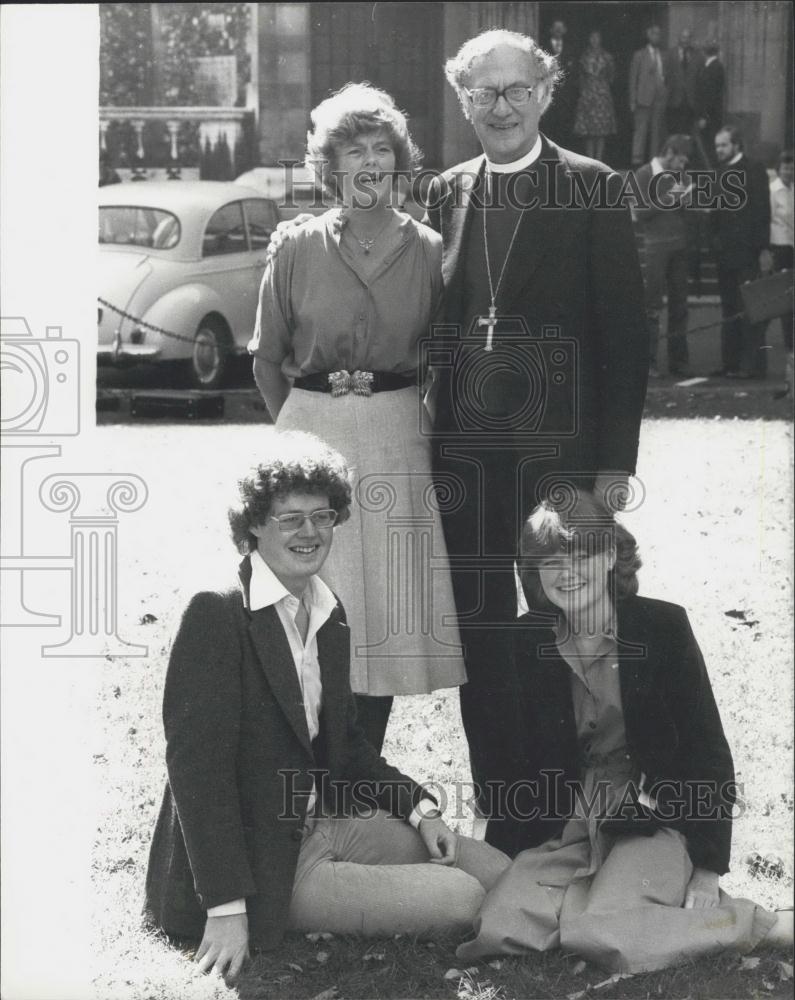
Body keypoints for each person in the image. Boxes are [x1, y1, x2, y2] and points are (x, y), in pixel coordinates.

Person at [143, 432, 509, 985]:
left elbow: (348, 747)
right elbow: (198, 774)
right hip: (265, 863)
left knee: (493, 868)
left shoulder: (327, 610)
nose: (309, 532)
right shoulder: (217, 612)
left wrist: (419, 810)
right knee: (462, 898)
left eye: (322, 515)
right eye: (290, 519)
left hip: (321, 823)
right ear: (253, 526)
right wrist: (225, 907)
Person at [427, 28, 647, 817]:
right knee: (481, 631)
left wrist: (613, 464)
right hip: (467, 459)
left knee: (569, 619)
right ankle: (504, 804)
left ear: (546, 93)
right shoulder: (446, 190)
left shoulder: (592, 186)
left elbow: (625, 335)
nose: (501, 106)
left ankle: (575, 798)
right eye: (482, 92)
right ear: (461, 99)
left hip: (561, 457)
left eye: (517, 90)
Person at [455, 494, 794, 973]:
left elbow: (706, 749)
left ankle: (764, 923)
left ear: (612, 554)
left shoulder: (663, 626)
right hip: (567, 824)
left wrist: (706, 868)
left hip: (651, 817)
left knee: (608, 935)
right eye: (550, 561)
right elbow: (502, 760)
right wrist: (498, 845)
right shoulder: (522, 639)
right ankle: (615, 908)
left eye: (581, 556)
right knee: (500, 927)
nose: (565, 573)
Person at [249, 84, 466, 754]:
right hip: (313, 433)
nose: (368, 164)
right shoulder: (295, 247)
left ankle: (361, 773)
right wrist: (298, 432)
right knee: (308, 600)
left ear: (400, 167)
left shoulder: (432, 252)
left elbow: (446, 358)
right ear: (329, 168)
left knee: (383, 613)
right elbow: (266, 360)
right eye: (352, 152)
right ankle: (304, 770)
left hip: (399, 435)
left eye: (381, 150)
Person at [710, 125, 771, 379]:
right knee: (728, 309)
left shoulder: (754, 169)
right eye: (716, 146)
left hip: (747, 251)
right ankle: (730, 363)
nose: (719, 150)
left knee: (749, 309)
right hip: (725, 254)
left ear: (736, 145)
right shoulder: (717, 173)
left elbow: (761, 210)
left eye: (723, 145)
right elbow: (714, 214)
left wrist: (762, 248)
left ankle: (752, 365)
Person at [634, 134, 693, 377]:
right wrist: (670, 198)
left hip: (679, 245)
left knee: (680, 305)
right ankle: (648, 362)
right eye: (680, 160)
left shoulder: (683, 176)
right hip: (655, 246)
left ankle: (679, 362)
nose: (683, 166)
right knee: (652, 305)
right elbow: (639, 212)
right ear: (669, 152)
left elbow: (685, 213)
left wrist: (689, 202)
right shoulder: (644, 174)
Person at [760, 149, 794, 396]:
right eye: (786, 167)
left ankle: (790, 360)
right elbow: (769, 219)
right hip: (779, 247)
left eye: (792, 167)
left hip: (792, 247)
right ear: (778, 168)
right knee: (780, 304)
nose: (789, 171)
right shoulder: (772, 192)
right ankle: (758, 353)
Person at [572, 29, 617, 162]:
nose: (594, 40)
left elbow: (612, 75)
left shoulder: (607, 57)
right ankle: (590, 159)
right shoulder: (584, 56)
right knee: (589, 131)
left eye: (597, 37)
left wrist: (602, 85)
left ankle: (599, 159)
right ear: (589, 39)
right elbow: (579, 76)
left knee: (601, 130)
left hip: (602, 95)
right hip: (588, 94)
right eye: (592, 38)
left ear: (600, 39)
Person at [629, 25, 668, 167]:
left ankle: (654, 162)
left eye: (658, 34)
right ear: (648, 36)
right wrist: (632, 100)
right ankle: (637, 162)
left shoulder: (663, 55)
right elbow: (633, 78)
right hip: (643, 99)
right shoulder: (639, 55)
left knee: (656, 133)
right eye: (654, 34)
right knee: (641, 132)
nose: (656, 37)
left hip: (659, 99)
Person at [541, 20, 577, 149]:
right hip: (549, 91)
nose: (558, 30)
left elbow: (574, 71)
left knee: (565, 123)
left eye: (561, 28)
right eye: (556, 28)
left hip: (566, 93)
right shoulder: (543, 46)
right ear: (551, 30)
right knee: (549, 122)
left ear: (565, 31)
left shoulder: (570, 47)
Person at [664, 28, 703, 136]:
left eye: (688, 37)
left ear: (691, 39)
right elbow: (665, 77)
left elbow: (700, 80)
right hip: (673, 101)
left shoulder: (698, 56)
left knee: (688, 134)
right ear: (679, 38)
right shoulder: (670, 54)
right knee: (673, 133)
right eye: (683, 37)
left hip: (690, 102)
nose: (686, 40)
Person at [694, 42, 725, 164]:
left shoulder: (715, 67)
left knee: (710, 141)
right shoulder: (711, 66)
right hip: (710, 113)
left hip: (710, 114)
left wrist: (704, 116)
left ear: (704, 52)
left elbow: (710, 95)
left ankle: (711, 167)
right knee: (708, 141)